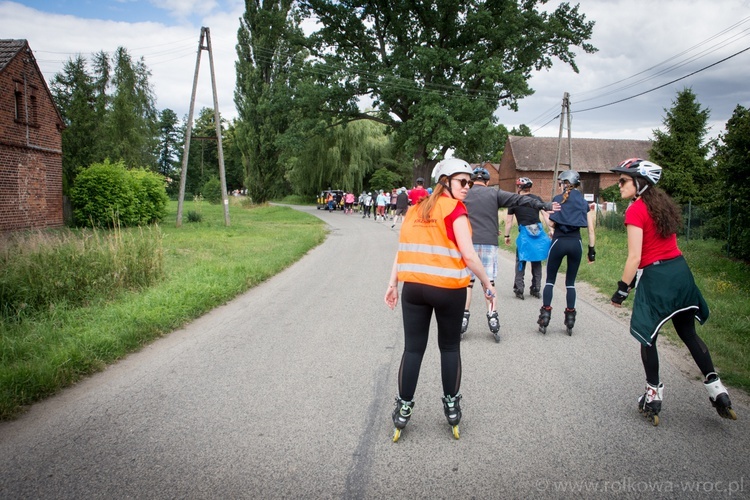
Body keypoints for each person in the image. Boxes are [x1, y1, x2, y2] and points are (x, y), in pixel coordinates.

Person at [609, 158, 736, 425]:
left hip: (657, 278)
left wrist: (621, 291)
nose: (617, 185)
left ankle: (653, 395)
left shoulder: (635, 210)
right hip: (680, 273)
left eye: (623, 180)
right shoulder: (662, 205)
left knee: (648, 337)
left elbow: (634, 257)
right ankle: (718, 391)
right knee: (688, 333)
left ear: (640, 183)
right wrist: (631, 282)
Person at [384, 158, 497, 442]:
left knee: (413, 350)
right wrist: (486, 283)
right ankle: (451, 407)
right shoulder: (455, 210)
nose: (467, 187)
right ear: (445, 181)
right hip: (448, 289)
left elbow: (403, 250)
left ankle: (403, 409)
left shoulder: (415, 209)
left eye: (470, 183)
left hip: (415, 289)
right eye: (462, 182)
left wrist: (393, 283)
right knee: (449, 348)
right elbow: (469, 255)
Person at [461, 168, 558, 341]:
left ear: (470, 181)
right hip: (489, 243)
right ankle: (492, 316)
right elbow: (519, 199)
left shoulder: (464, 195)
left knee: (468, 283)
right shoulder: (495, 194)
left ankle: (463, 317)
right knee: (488, 282)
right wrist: (542, 205)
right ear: (488, 182)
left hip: (468, 242)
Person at [537, 170, 596, 335]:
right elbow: (591, 229)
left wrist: (544, 213)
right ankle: (570, 317)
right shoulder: (584, 203)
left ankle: (545, 315)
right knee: (570, 283)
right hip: (576, 243)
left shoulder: (557, 199)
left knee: (550, 281)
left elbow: (552, 223)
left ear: (564, 183)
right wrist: (592, 251)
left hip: (559, 242)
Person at [504, 177, 551, 300]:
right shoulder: (537, 199)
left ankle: (519, 288)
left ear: (519, 187)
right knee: (537, 260)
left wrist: (507, 235)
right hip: (538, 232)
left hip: (525, 233)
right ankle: (536, 288)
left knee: (521, 261)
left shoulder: (514, 201)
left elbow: (509, 222)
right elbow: (545, 215)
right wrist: (551, 229)